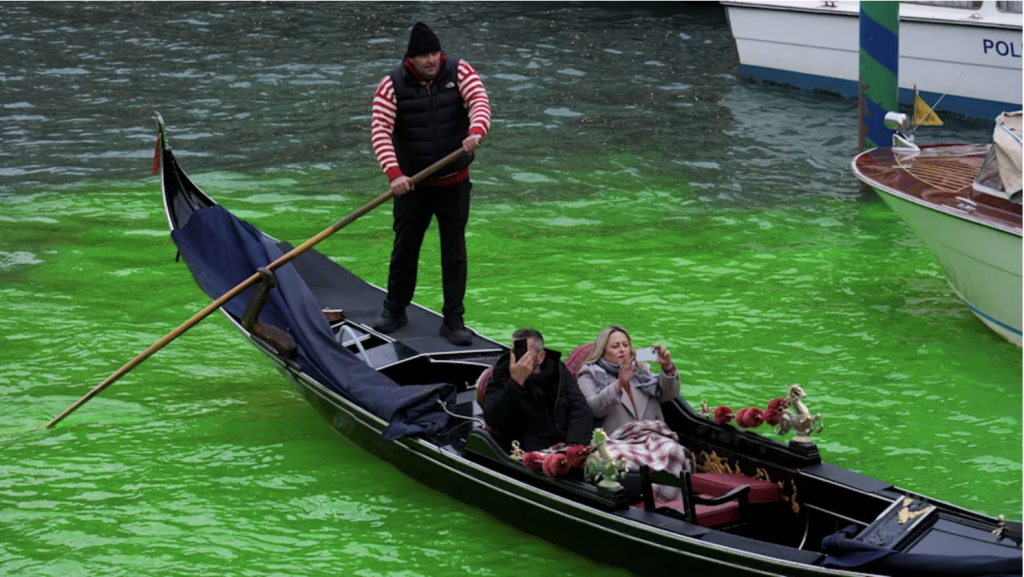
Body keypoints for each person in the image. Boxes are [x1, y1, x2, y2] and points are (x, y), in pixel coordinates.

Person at [370, 21, 492, 346]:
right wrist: (395, 174)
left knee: (454, 253)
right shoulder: (391, 85)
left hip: (454, 183)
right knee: (405, 248)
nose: (431, 60)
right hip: (413, 186)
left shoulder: (460, 71)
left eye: (435, 53)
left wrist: (476, 130)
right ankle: (395, 310)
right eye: (424, 55)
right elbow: (380, 130)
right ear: (411, 58)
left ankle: (453, 320)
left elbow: (479, 101)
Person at [484, 328, 594, 452]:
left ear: (541, 357)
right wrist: (516, 382)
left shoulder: (558, 370)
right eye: (514, 352)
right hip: (526, 449)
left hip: (564, 440)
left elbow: (579, 407)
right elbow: (493, 419)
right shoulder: (502, 373)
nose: (518, 358)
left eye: (524, 353)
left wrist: (573, 445)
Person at [575, 325, 681, 436]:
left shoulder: (642, 369)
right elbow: (594, 410)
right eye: (615, 346)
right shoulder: (588, 373)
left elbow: (669, 395)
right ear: (602, 351)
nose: (622, 350)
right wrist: (619, 384)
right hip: (619, 440)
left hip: (656, 435)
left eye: (625, 345)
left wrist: (667, 366)